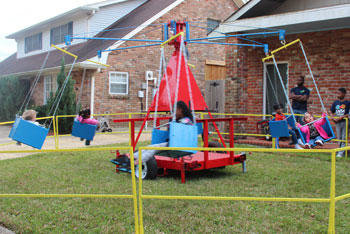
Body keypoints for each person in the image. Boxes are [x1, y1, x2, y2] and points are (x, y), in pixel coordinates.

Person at [116, 101, 194, 167]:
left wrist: (172, 120)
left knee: (153, 149)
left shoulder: (186, 120)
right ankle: (131, 157)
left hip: (180, 145)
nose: (173, 113)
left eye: (174, 110)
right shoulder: (179, 120)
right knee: (149, 147)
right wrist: (172, 120)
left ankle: (136, 161)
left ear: (180, 110)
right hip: (174, 143)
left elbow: (178, 129)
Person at [330, 88, 349, 157]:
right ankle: (340, 150)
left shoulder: (347, 103)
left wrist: (342, 117)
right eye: (337, 93)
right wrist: (333, 117)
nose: (338, 95)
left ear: (344, 94)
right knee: (339, 137)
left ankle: (341, 152)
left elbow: (349, 113)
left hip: (345, 122)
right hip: (337, 122)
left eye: (339, 93)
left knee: (344, 137)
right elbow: (331, 111)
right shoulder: (335, 103)